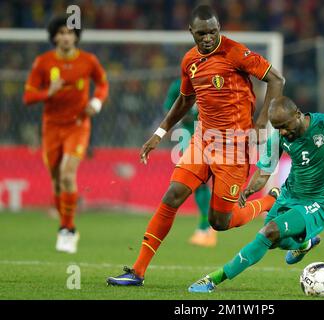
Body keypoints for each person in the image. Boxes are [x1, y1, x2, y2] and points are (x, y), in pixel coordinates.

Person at [107, 4, 285, 286]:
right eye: (202, 33)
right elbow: (185, 100)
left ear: (219, 29)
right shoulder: (189, 61)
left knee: (220, 222)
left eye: (213, 31)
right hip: (203, 140)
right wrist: (159, 132)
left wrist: (263, 122)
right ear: (191, 32)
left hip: (234, 146)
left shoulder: (235, 52)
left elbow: (276, 79)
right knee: (173, 195)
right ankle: (137, 271)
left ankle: (269, 201)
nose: (208, 38)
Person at [188, 96, 324, 292]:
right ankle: (305, 244)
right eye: (277, 127)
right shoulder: (280, 137)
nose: (282, 131)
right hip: (289, 196)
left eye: (284, 126)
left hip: (318, 202)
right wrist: (249, 189)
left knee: (269, 231)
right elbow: (265, 170)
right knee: (273, 241)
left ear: (297, 114)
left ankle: (213, 279)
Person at [23, 16, 109, 254]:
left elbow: (103, 84)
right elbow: (28, 97)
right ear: (54, 37)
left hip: (78, 125)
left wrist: (96, 102)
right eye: (60, 32)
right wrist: (47, 93)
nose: (65, 36)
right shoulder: (43, 62)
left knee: (67, 175)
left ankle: (67, 229)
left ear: (76, 36)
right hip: (51, 127)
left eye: (69, 32)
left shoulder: (88, 61)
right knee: (57, 182)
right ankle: (67, 227)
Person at [164, 78, 216, 247]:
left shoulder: (213, 81)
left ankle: (208, 226)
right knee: (198, 183)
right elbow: (170, 109)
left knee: (205, 181)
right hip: (188, 136)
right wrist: (183, 115)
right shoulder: (177, 85)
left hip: (213, 134)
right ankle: (205, 227)